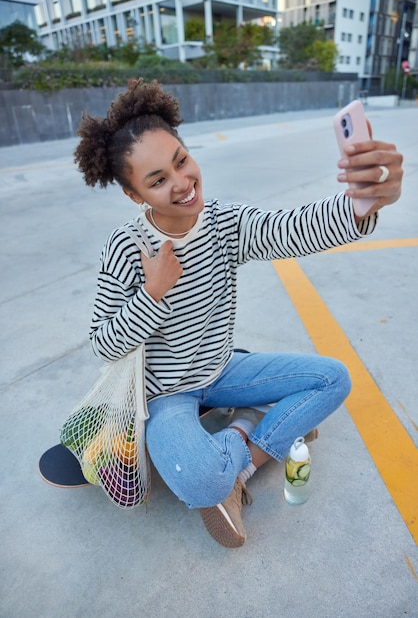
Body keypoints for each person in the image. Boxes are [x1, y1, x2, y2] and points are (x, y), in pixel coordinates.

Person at [74, 79, 403, 548]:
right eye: (157, 180)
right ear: (134, 195)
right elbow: (103, 344)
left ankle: (242, 450)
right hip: (166, 395)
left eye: (181, 161)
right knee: (200, 482)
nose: (182, 183)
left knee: (334, 379)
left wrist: (360, 204)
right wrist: (153, 294)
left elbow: (292, 230)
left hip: (223, 368)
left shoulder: (226, 223)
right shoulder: (126, 246)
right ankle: (245, 434)